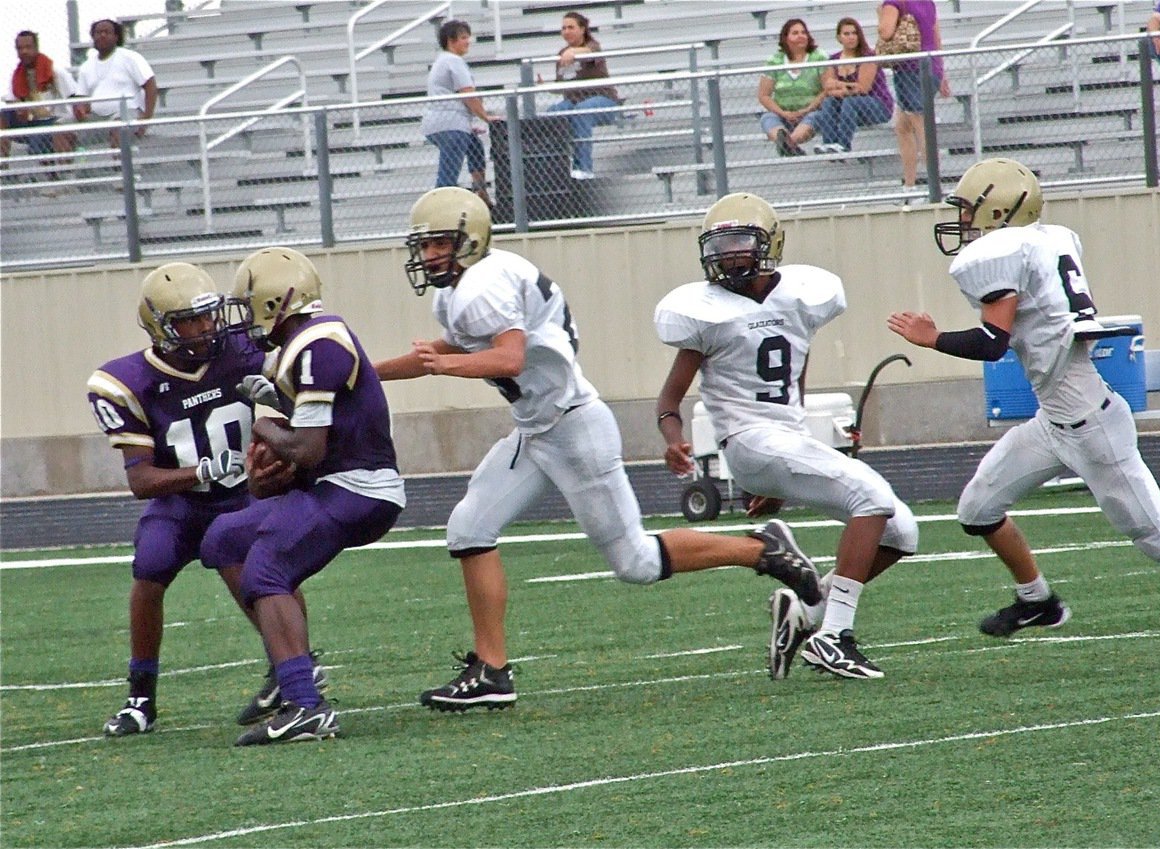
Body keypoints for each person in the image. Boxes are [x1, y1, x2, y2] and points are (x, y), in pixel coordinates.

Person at [373, 186, 824, 711]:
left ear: (470, 240)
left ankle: (763, 550)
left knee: (634, 562)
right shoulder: (464, 288)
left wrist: (440, 366)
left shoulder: (483, 283)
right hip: (538, 428)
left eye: (439, 245)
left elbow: (508, 358)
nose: (429, 256)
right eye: (424, 246)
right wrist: (365, 375)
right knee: (469, 528)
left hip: (574, 430)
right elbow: (458, 348)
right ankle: (492, 672)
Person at [885, 157, 1160, 639]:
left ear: (1000, 211)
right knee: (976, 509)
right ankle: (1038, 601)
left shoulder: (1003, 253)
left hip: (1093, 427)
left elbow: (992, 342)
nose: (963, 222)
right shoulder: (1049, 238)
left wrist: (934, 338)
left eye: (971, 210)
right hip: (1055, 420)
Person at [654, 192, 919, 680]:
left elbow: (794, 378)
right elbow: (669, 401)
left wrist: (780, 477)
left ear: (768, 244)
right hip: (747, 440)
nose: (729, 255)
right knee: (873, 495)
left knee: (902, 531)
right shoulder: (705, 311)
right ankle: (835, 639)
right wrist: (674, 440)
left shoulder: (800, 297)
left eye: (740, 243)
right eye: (721, 244)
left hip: (784, 438)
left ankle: (808, 615)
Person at [86, 262, 318, 737]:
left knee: (256, 558)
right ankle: (140, 699)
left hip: (244, 493)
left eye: (209, 316)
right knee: (149, 569)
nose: (206, 328)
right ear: (159, 327)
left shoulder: (247, 349)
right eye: (189, 321)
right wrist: (204, 471)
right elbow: (142, 480)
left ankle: (293, 667)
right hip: (181, 502)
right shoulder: (129, 380)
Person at [202, 247, 406, 746]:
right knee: (223, 539)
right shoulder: (296, 348)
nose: (242, 317)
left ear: (277, 300)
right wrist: (266, 477)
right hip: (332, 483)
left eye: (247, 303)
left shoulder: (320, 343)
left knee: (266, 568)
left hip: (360, 488)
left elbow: (309, 449)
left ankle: (304, 705)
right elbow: (295, 458)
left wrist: (266, 421)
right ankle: (290, 665)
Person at [420, 19, 496, 207]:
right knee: (448, 176)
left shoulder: (442, 60)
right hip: (450, 124)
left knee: (475, 147)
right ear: (450, 40)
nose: (468, 41)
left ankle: (480, 191)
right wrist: (486, 117)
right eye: (463, 38)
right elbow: (468, 94)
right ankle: (440, 210)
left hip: (445, 122)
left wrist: (468, 125)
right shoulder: (453, 61)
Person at [877, 0, 950, 190]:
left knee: (920, 124)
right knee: (902, 127)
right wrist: (942, 72)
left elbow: (885, 32)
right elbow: (936, 37)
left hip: (910, 69)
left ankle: (935, 186)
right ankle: (909, 185)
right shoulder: (927, 3)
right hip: (930, 66)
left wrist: (881, 15)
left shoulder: (894, 3)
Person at [545, 12, 620, 180]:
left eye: (571, 27)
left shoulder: (592, 46)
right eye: (563, 28)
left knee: (582, 111)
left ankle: (584, 169)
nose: (566, 31)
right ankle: (556, 168)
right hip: (573, 102)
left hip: (603, 100)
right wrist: (546, 86)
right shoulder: (562, 54)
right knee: (552, 112)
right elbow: (561, 86)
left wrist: (574, 52)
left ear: (583, 29)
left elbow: (589, 51)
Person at [806, 17, 893, 155]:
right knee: (829, 102)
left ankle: (843, 145)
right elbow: (829, 89)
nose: (851, 37)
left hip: (877, 105)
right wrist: (843, 89)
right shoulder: (834, 60)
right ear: (839, 37)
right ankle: (829, 144)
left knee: (850, 101)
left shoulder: (867, 57)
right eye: (846, 34)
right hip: (848, 108)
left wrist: (840, 85)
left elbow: (863, 88)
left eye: (854, 33)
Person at [71, 19, 157, 149]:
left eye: (107, 32)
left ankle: (120, 168)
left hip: (126, 113)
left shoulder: (130, 57)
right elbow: (81, 98)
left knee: (120, 126)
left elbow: (150, 84)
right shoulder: (86, 66)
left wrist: (145, 119)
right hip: (97, 118)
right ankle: (67, 169)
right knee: (61, 129)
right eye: (98, 32)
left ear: (116, 37)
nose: (102, 35)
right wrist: (80, 109)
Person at [1, 30, 76, 159]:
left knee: (43, 135)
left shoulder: (55, 72)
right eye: (20, 48)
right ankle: (3, 167)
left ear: (36, 48)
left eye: (28, 47)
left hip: (55, 119)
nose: (24, 52)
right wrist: (19, 109)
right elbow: (11, 101)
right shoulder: (17, 75)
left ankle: (58, 174)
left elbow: (74, 97)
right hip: (30, 120)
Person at [759, 18, 827, 157]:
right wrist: (784, 113)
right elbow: (764, 95)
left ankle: (788, 144)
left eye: (803, 32)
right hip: (783, 113)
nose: (801, 35)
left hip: (810, 111)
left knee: (815, 117)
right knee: (767, 118)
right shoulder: (775, 61)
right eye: (795, 33)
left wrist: (805, 110)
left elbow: (826, 90)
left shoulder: (819, 57)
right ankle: (784, 141)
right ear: (786, 38)